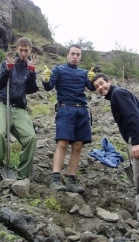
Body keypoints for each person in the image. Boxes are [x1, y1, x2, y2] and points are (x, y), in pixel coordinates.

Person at [92, 73, 139, 231]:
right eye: (97, 87)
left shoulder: (117, 94)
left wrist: (135, 143)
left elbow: (133, 116)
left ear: (109, 81)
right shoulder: (119, 94)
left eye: (102, 83)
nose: (100, 88)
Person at [42, 44, 96, 193]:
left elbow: (92, 88)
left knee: (78, 146)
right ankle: (55, 179)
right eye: (72, 54)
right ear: (67, 55)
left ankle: (71, 180)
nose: (75, 57)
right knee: (63, 143)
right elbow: (49, 86)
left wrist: (93, 80)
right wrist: (46, 80)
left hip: (82, 110)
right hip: (65, 109)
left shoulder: (85, 73)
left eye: (78, 55)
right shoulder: (59, 70)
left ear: (80, 57)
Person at [0, 37, 39, 182]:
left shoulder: (29, 67)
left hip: (19, 108)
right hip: (1, 103)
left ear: (30, 51)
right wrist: (8, 69)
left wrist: (32, 72)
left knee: (30, 138)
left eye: (26, 51)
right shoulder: (6, 63)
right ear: (17, 49)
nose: (23, 53)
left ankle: (22, 176)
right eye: (21, 50)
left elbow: (31, 89)